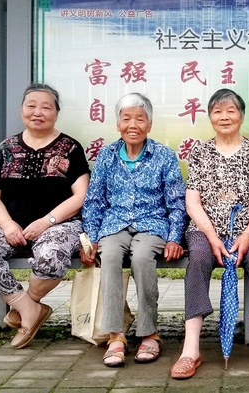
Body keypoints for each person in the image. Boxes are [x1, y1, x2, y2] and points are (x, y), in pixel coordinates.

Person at [170, 89, 249, 381]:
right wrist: (212, 235)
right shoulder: (200, 151)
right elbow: (192, 201)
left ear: (241, 116)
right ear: (210, 116)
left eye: (231, 111)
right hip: (206, 228)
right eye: (217, 111)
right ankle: (191, 350)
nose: (224, 117)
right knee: (198, 259)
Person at [0, 83, 90, 349]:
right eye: (31, 105)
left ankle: (27, 307)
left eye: (46, 107)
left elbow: (81, 195)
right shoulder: (7, 148)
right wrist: (7, 223)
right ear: (22, 110)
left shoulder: (70, 148)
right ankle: (29, 309)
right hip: (12, 225)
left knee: (51, 255)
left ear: (56, 113)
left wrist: (47, 221)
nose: (38, 112)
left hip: (59, 224)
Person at [81, 93, 186, 367]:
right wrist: (91, 238)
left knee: (141, 257)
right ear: (118, 124)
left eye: (140, 119)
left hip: (152, 224)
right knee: (111, 257)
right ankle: (116, 335)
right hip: (114, 224)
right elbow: (94, 200)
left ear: (149, 124)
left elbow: (176, 202)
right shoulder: (106, 156)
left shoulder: (164, 156)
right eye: (126, 118)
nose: (133, 125)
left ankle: (149, 333)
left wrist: (175, 237)